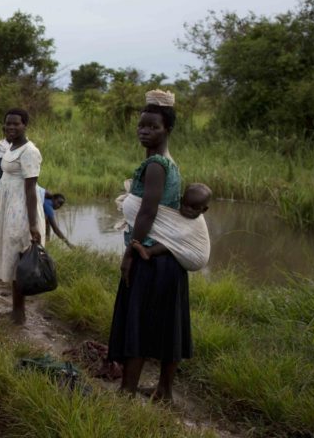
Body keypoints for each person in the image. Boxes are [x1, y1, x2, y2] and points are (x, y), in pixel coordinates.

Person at [107, 89, 192, 404]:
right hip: (168, 259)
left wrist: (131, 252)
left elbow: (148, 212)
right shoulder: (166, 162)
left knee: (139, 325)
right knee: (168, 327)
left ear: (167, 129)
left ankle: (127, 394)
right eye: (141, 125)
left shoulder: (156, 165)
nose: (144, 131)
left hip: (151, 259)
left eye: (152, 126)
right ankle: (164, 393)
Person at [0, 109, 45, 325]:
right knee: (12, 259)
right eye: (7, 124)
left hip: (21, 210)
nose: (11, 128)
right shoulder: (10, 147)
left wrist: (33, 224)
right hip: (8, 206)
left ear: (25, 125)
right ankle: (15, 310)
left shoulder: (30, 151)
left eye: (16, 124)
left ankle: (19, 313)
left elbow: (31, 190)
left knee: (19, 259)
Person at [129, 183, 211, 261]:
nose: (188, 210)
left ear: (204, 210)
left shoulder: (197, 224)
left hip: (186, 250)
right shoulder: (172, 211)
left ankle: (149, 252)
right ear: (181, 200)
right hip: (176, 250)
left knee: (169, 244)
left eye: (194, 208)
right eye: (185, 205)